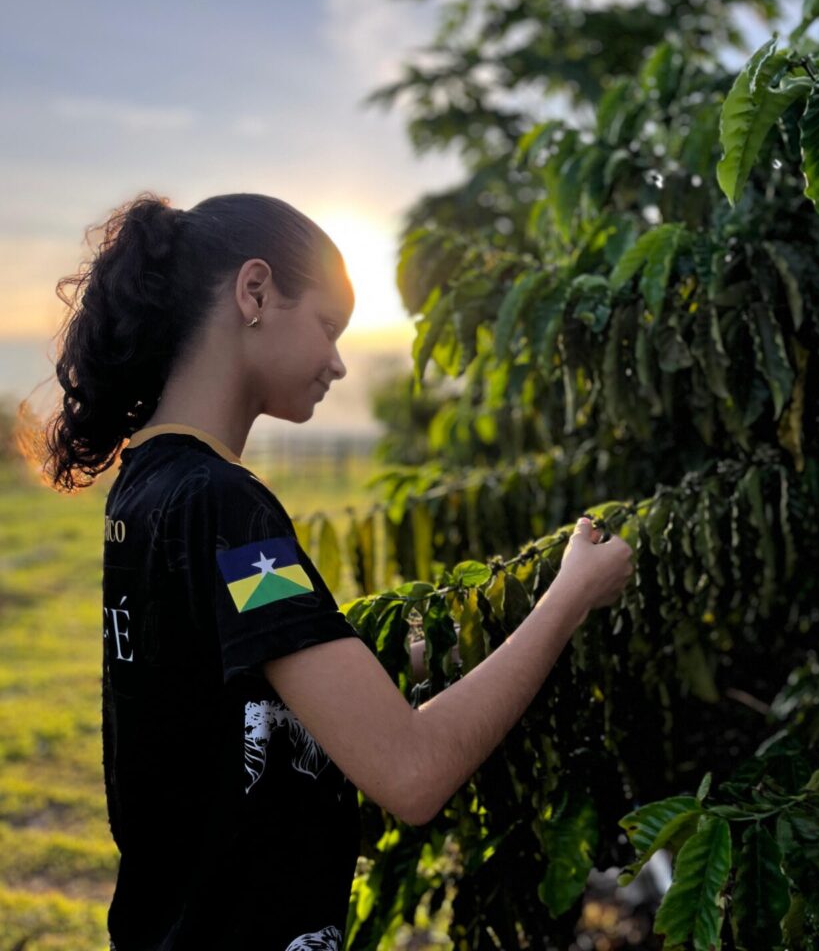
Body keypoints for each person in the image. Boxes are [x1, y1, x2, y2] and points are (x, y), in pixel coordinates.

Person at [18, 192, 635, 950]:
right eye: (328, 327)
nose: (339, 363)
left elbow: (236, 674)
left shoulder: (150, 485)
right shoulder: (226, 509)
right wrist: (569, 595)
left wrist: (406, 659)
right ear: (254, 292)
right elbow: (411, 773)